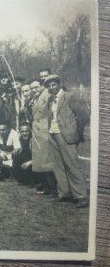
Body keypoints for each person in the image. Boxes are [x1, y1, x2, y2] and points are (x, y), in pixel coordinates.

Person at [45, 75, 89, 208]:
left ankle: (81, 196)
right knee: (58, 165)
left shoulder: (70, 96)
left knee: (72, 165)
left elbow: (83, 116)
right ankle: (65, 193)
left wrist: (77, 132)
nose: (51, 88)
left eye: (53, 84)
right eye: (49, 86)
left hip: (66, 135)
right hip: (53, 134)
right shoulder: (50, 100)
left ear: (59, 84)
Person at [30, 78, 57, 195]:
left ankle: (53, 188)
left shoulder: (48, 96)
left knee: (47, 161)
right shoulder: (35, 98)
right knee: (40, 161)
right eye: (32, 88)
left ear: (42, 87)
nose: (34, 90)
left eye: (36, 87)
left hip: (44, 132)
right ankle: (46, 186)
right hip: (37, 132)